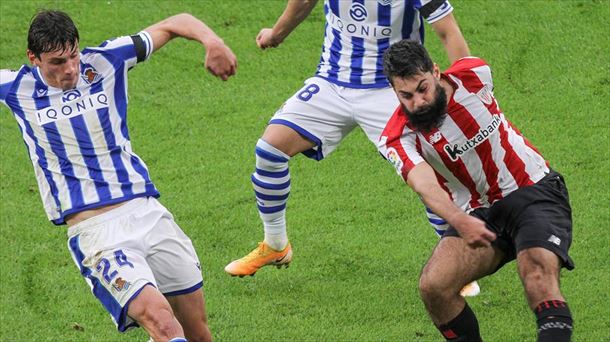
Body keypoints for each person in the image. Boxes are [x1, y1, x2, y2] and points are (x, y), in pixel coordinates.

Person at [0, 10, 237, 342]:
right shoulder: (15, 87)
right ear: (33, 58)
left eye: (73, 56)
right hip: (98, 234)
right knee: (163, 323)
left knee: (197, 331)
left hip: (149, 213)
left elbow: (175, 23)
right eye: (56, 62)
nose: (70, 69)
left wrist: (213, 41)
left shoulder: (108, 60)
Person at [224, 0, 476, 292]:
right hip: (331, 83)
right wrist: (276, 34)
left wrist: (468, 85)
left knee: (426, 169)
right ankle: (275, 244)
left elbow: (448, 31)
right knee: (270, 151)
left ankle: (455, 264)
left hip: (390, 90)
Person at [379, 39, 574, 341]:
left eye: (423, 88)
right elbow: (425, 186)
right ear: (394, 91)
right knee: (434, 286)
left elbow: (451, 33)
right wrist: (460, 220)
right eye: (406, 95)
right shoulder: (397, 138)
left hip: (533, 191)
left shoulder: (474, 74)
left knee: (536, 275)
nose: (418, 102)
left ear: (435, 71)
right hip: (477, 215)